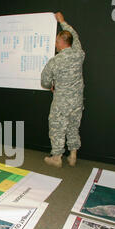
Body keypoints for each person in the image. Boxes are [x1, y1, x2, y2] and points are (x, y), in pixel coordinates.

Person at [41, 12, 85, 167]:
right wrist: (62, 21)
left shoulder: (55, 61)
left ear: (61, 42)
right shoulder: (79, 54)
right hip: (77, 101)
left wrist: (51, 85)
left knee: (57, 126)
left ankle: (57, 157)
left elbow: (44, 81)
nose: (55, 44)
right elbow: (75, 36)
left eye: (56, 41)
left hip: (61, 101)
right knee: (73, 126)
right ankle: (73, 155)